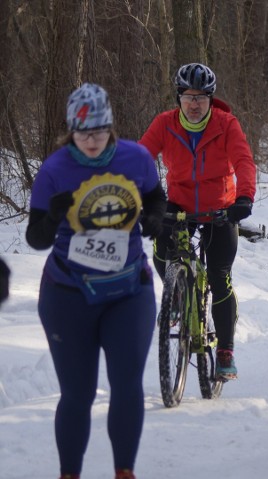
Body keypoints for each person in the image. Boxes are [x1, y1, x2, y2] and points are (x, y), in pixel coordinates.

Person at [26, 83, 166, 479]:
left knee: (126, 386)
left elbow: (156, 197)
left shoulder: (135, 158)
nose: (92, 140)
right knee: (78, 394)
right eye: (84, 133)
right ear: (71, 130)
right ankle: (69, 473)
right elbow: (35, 239)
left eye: (100, 131)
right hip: (68, 295)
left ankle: (125, 471)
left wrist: (155, 218)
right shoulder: (54, 169)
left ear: (111, 127)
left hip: (129, 291)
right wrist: (53, 217)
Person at [139, 63, 256, 380]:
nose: (194, 104)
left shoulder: (225, 124)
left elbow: (244, 160)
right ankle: (176, 294)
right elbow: (139, 157)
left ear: (210, 99)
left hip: (221, 207)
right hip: (178, 204)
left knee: (219, 276)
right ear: (178, 97)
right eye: (188, 96)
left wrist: (244, 198)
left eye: (201, 97)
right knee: (162, 254)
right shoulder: (165, 124)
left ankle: (225, 350)